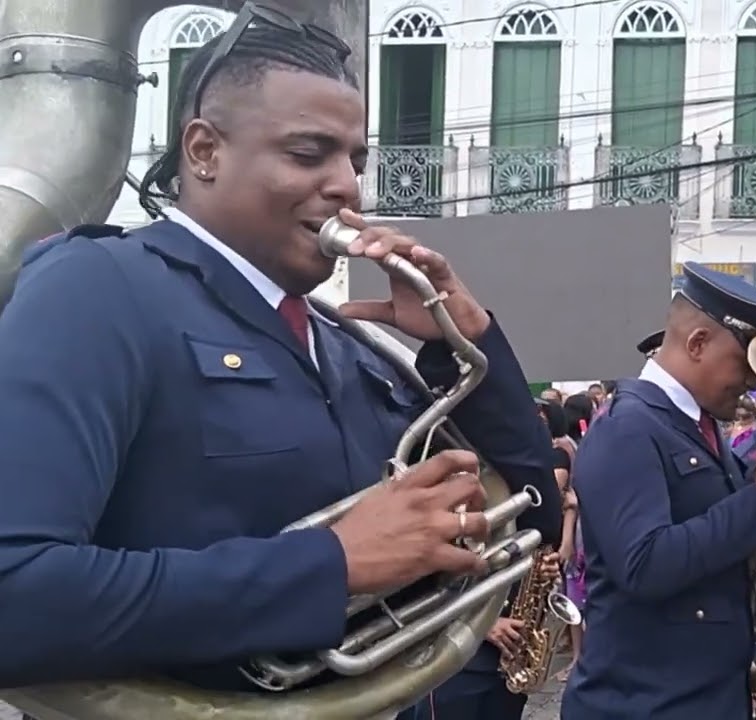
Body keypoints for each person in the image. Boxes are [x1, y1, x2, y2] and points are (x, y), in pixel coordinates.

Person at [0, 12, 562, 720]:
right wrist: (329, 567)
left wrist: (466, 338)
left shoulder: (344, 337)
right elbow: (12, 593)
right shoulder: (99, 289)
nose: (347, 188)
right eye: (308, 154)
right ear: (203, 151)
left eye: (354, 160)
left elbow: (532, 520)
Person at [562, 263, 756, 719]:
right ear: (698, 344)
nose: (753, 383)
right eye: (746, 365)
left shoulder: (696, 426)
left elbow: (720, 557)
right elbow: (645, 564)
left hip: (697, 696)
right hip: (642, 705)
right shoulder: (627, 427)